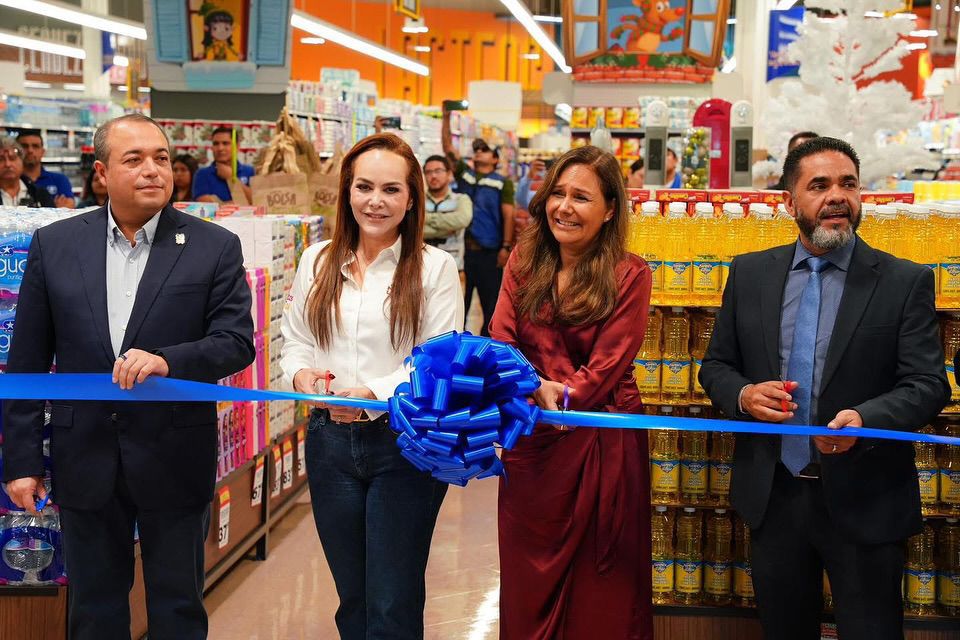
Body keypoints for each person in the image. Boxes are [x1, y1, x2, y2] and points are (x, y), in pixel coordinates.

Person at [2, 113, 255, 640]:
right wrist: (22, 461)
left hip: (174, 452)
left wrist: (168, 359)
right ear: (102, 173)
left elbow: (235, 344)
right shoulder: (58, 245)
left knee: (178, 606)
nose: (152, 170)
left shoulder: (214, 246)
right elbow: (26, 363)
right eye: (134, 159)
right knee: (94, 610)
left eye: (161, 158)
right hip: (85, 455)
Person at [699, 137, 950, 640]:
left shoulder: (904, 281)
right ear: (789, 203)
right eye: (819, 185)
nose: (837, 196)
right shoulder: (749, 274)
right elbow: (717, 366)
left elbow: (927, 384)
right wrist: (745, 395)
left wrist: (867, 418)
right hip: (774, 497)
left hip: (866, 496)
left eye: (848, 184)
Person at [280, 133, 463, 640]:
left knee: (391, 600)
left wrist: (371, 395)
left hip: (403, 445)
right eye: (364, 187)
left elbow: (438, 360)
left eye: (390, 189)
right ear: (346, 191)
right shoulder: (317, 260)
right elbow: (293, 340)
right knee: (352, 596)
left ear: (410, 199)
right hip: (328, 444)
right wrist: (302, 377)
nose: (375, 201)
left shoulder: (434, 267)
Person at [489, 145, 653, 640]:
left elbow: (608, 363)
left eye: (581, 197)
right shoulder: (522, 259)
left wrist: (560, 397)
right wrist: (532, 388)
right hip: (532, 442)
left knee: (601, 584)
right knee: (526, 577)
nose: (564, 206)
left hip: (601, 443)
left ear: (608, 211)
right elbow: (501, 339)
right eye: (557, 193)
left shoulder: (631, 273)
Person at [442, 109, 514, 336]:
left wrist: (505, 247)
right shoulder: (465, 175)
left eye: (485, 151)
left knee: (490, 304)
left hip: (489, 253)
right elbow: (448, 149)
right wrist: (446, 117)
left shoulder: (503, 183)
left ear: (495, 159)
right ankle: (456, 346)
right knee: (456, 303)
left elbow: (509, 215)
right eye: (478, 150)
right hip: (463, 253)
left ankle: (483, 349)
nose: (480, 153)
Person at [423, 154, 472, 281]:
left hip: (453, 268)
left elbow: (462, 220)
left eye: (438, 171)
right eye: (428, 172)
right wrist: (449, 227)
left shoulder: (461, 199)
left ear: (449, 174)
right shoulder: (417, 200)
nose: (433, 176)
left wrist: (426, 219)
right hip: (421, 267)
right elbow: (413, 228)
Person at [192, 126, 254, 203]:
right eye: (216, 144)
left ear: (237, 147)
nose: (220, 148)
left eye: (225, 143)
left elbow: (256, 200)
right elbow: (204, 205)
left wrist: (231, 178)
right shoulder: (202, 174)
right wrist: (241, 203)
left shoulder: (250, 171)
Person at [17, 129, 75, 208]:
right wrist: (53, 207)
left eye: (35, 146)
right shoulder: (9, 181)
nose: (30, 150)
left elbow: (68, 207)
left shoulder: (60, 179)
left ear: (43, 152)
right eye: (24, 146)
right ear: (17, 151)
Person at [0, 137, 54, 207]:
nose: (8, 164)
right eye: (1, 160)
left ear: (22, 161)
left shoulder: (40, 194)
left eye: (12, 158)